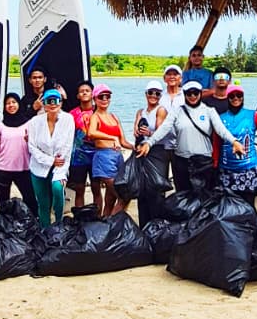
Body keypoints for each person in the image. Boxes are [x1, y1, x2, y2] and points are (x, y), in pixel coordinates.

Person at [142, 80, 243, 193]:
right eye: (189, 93)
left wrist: (234, 141)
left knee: (204, 197)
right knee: (183, 196)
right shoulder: (177, 111)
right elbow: (164, 128)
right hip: (182, 160)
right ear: (184, 95)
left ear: (200, 93)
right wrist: (149, 143)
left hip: (203, 161)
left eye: (195, 93)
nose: (192, 96)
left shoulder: (209, 111)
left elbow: (221, 130)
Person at [217, 85, 257, 205]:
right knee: (229, 206)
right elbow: (216, 142)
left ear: (243, 97)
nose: (236, 98)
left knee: (249, 205)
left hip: (248, 167)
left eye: (239, 95)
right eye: (232, 96)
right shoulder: (221, 117)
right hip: (227, 168)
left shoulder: (252, 115)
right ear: (227, 98)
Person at [26, 88, 75, 227]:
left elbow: (67, 145)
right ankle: (45, 230)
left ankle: (59, 224)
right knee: (43, 202)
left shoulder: (68, 119)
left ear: (60, 103)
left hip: (60, 164)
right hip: (38, 166)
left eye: (56, 101)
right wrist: (50, 160)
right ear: (44, 104)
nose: (53, 104)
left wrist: (57, 162)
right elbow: (32, 147)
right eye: (49, 101)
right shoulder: (35, 121)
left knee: (57, 189)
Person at [86, 85, 136, 216]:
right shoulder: (95, 117)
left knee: (111, 199)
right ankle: (112, 226)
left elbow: (123, 141)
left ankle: (106, 223)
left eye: (107, 96)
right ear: (95, 99)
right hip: (103, 157)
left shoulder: (114, 117)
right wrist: (111, 137)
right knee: (123, 195)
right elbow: (91, 133)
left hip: (118, 157)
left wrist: (135, 147)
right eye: (101, 97)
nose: (104, 99)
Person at [132, 80, 170, 224]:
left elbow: (161, 132)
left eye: (157, 93)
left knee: (156, 189)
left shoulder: (161, 110)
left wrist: (149, 133)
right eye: (150, 92)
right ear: (146, 94)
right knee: (142, 191)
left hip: (157, 152)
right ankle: (144, 225)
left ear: (160, 96)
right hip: (142, 152)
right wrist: (137, 132)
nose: (153, 96)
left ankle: (158, 225)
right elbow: (135, 132)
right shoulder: (140, 112)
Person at [0, 92, 34, 212]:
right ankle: (5, 225)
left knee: (30, 199)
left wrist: (30, 141)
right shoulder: (0, 126)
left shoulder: (29, 124)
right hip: (2, 168)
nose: (11, 105)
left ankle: (31, 223)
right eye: (8, 103)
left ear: (19, 104)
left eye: (14, 102)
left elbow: (34, 146)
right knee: (3, 202)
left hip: (23, 168)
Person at [68, 81, 101, 214]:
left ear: (93, 94)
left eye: (87, 90)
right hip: (78, 157)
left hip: (96, 155)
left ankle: (98, 217)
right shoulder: (72, 114)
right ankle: (80, 219)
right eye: (81, 91)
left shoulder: (99, 111)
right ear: (78, 96)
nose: (84, 93)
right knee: (79, 189)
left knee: (96, 188)